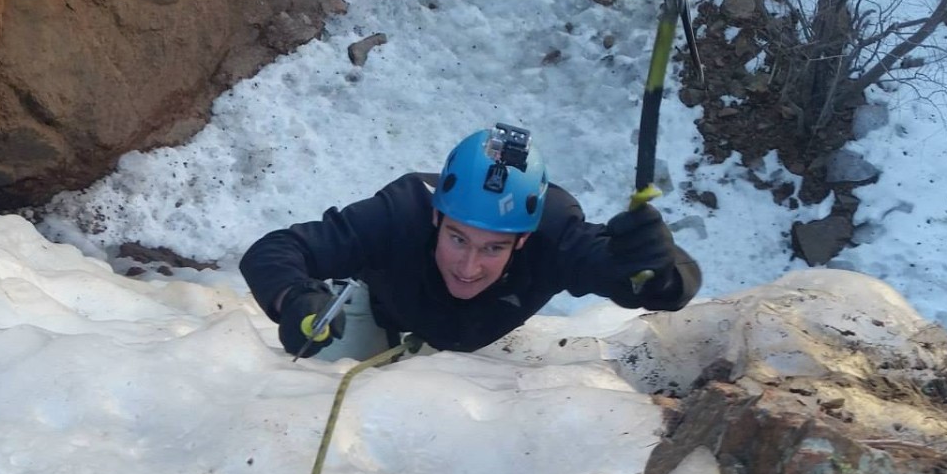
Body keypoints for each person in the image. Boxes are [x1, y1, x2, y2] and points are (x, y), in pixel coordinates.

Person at [241, 123, 700, 358]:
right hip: (376, 316)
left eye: (493, 248)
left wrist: (657, 266)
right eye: (458, 238)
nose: (468, 267)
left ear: (522, 240)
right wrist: (295, 297)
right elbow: (276, 250)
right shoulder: (400, 214)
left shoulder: (554, 236)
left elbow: (651, 285)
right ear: (437, 215)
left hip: (475, 352)